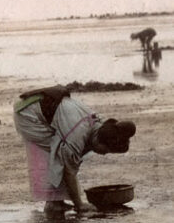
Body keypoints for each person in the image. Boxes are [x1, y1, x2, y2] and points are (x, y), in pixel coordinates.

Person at [13, 85, 135, 213]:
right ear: (98, 140)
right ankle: (53, 203)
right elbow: (69, 169)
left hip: (37, 105)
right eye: (106, 150)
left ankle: (56, 201)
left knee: (65, 154)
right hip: (27, 114)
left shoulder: (100, 124)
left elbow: (79, 153)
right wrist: (80, 204)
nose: (104, 154)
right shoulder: (77, 134)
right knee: (60, 154)